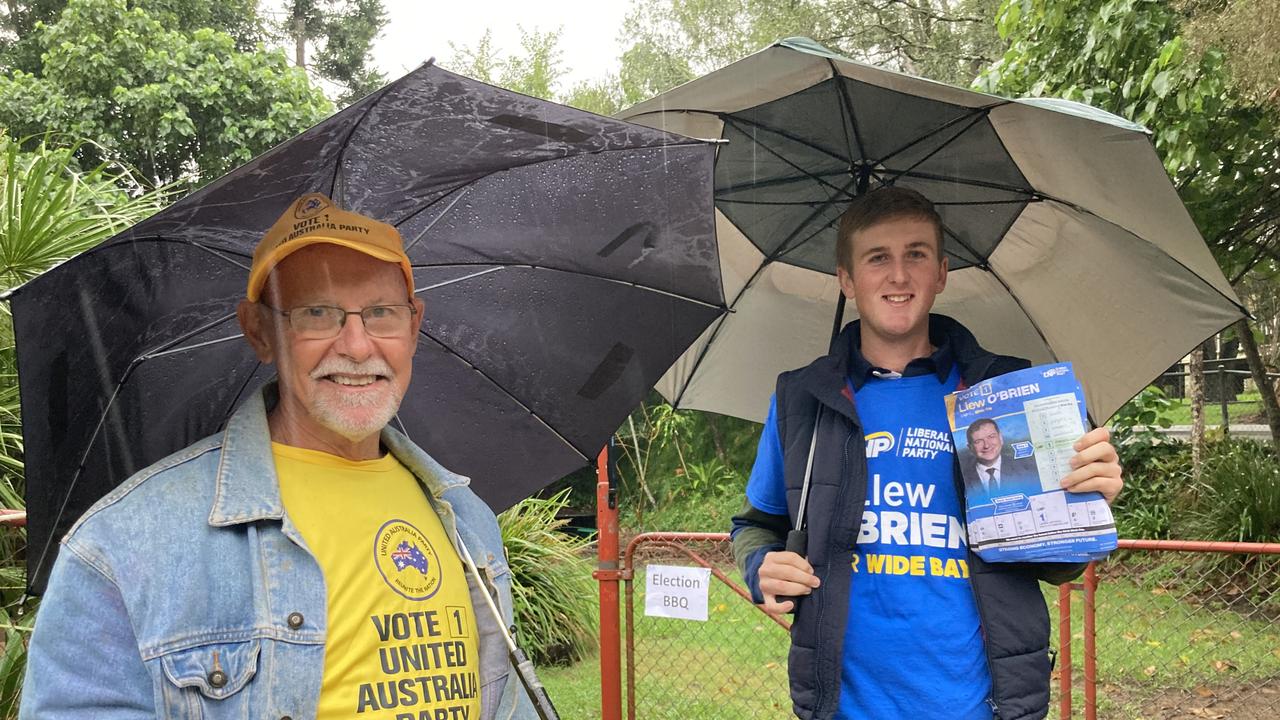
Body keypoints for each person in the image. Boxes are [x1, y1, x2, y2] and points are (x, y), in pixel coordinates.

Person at [21, 193, 536, 720]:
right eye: (317, 313)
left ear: (414, 324)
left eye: (381, 313)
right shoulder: (124, 547)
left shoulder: (466, 519)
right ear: (259, 331)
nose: (357, 346)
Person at [731, 186, 1123, 720]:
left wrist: (1088, 498)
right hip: (841, 706)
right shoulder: (803, 401)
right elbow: (755, 525)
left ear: (940, 273)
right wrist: (761, 567)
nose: (898, 276)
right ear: (847, 279)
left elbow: (1056, 566)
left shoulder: (1006, 394)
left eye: (915, 254)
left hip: (983, 706)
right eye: (877, 258)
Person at [961, 418, 1040, 497]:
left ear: (1001, 438)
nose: (986, 445)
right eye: (978, 441)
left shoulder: (1027, 469)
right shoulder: (962, 477)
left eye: (991, 437)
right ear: (970, 448)